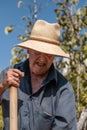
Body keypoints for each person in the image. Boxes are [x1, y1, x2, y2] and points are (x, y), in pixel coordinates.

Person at [0, 20, 77, 130]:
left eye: (48, 54)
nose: (42, 59)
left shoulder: (63, 88)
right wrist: (2, 87)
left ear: (54, 56)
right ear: (28, 50)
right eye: (37, 52)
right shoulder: (8, 74)